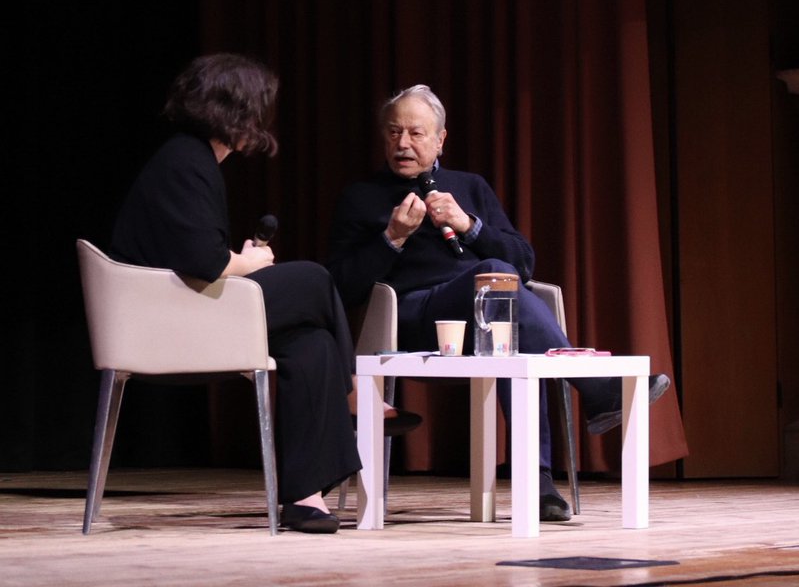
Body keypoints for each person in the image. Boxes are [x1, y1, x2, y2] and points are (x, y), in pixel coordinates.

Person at [327, 84, 671, 524]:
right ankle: (597, 389)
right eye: (394, 132)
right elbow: (341, 285)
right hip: (413, 317)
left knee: (507, 314)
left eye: (415, 133)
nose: (403, 144)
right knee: (495, 278)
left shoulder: (470, 188)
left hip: (486, 312)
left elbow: (523, 262)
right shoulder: (361, 197)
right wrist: (392, 238)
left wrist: (468, 224)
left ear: (440, 139)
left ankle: (540, 486)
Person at [111, 52, 360, 534]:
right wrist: (251, 262)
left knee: (311, 344)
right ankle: (353, 392)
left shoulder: (192, 159)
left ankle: (305, 496)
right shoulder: (186, 160)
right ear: (239, 111)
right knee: (314, 279)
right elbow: (207, 263)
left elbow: (197, 256)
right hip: (163, 322)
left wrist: (238, 262)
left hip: (184, 308)